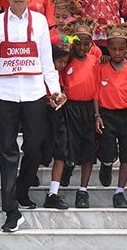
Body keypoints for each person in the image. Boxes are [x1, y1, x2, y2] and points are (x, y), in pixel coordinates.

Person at [0, 0, 66, 232]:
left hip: (35, 93)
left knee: (35, 148)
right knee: (6, 150)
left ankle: (22, 190)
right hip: (4, 94)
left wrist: (55, 89)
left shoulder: (39, 22)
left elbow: (47, 62)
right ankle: (11, 210)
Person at [93, 22, 127, 209]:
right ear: (107, 48)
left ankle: (119, 192)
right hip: (107, 115)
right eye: (113, 49)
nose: (117, 53)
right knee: (108, 151)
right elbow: (95, 93)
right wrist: (97, 115)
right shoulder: (101, 66)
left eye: (121, 49)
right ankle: (106, 163)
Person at [60, 17, 99, 207]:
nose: (83, 48)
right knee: (69, 145)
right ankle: (68, 166)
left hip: (89, 109)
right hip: (70, 108)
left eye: (87, 44)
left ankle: (83, 190)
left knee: (88, 149)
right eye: (79, 43)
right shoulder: (66, 60)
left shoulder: (95, 60)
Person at [41, 41, 72, 210]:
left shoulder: (61, 75)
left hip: (58, 115)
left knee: (61, 152)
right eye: (60, 61)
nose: (63, 65)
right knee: (38, 148)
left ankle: (53, 192)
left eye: (65, 62)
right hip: (42, 115)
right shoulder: (41, 74)